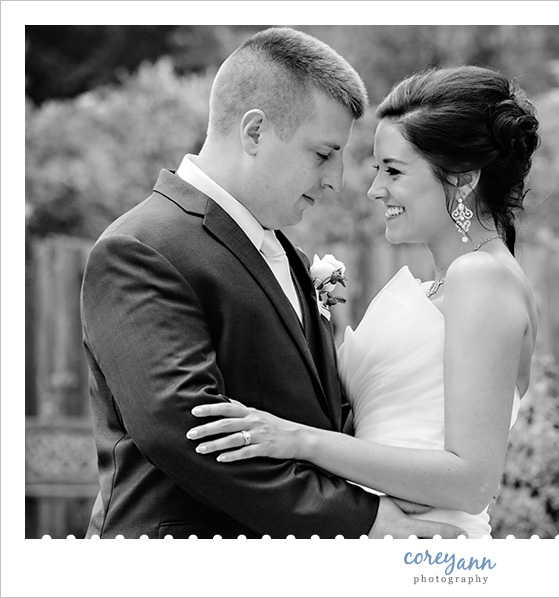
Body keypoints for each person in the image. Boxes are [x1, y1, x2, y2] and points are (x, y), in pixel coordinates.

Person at [80, 27, 465, 539]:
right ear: (255, 131)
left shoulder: (286, 254)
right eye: (323, 154)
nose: (336, 181)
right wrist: (365, 520)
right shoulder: (141, 247)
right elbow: (187, 432)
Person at [187, 66, 541, 537]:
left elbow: (471, 481)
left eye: (393, 170)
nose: (375, 189)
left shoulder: (482, 278)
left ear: (462, 180)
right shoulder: (440, 285)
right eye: (378, 169)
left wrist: (299, 441)